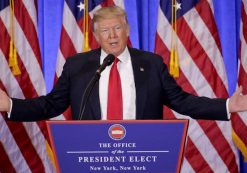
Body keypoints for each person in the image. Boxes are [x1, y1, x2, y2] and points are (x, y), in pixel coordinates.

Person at [0, 6, 246, 121]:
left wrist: (227, 105)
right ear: (96, 36)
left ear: (127, 30)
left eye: (117, 28)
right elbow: (51, 105)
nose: (112, 36)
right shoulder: (77, 66)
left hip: (141, 157)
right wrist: (11, 105)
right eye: (105, 31)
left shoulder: (151, 64)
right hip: (92, 158)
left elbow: (182, 101)